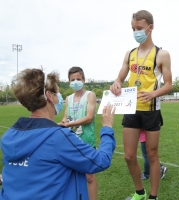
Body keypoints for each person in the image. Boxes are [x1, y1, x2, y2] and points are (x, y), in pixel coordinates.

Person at [0, 68, 116, 200]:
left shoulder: (9, 135)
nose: (59, 98)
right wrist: (107, 128)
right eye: (57, 93)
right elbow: (101, 161)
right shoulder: (58, 138)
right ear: (49, 96)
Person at [110, 10, 172, 200]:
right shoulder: (129, 54)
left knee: (152, 155)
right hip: (131, 109)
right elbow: (119, 78)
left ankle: (153, 197)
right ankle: (140, 192)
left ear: (150, 28)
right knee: (129, 156)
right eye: (133, 28)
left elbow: (169, 85)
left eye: (139, 28)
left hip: (151, 110)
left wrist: (154, 93)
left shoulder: (161, 54)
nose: (136, 31)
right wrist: (116, 83)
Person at [60, 66, 98, 200]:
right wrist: (62, 123)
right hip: (71, 141)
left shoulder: (90, 95)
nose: (75, 81)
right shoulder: (68, 98)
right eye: (72, 79)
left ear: (84, 79)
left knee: (89, 176)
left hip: (87, 141)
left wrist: (69, 124)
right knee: (71, 175)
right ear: (69, 82)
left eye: (78, 79)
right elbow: (66, 117)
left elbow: (89, 117)